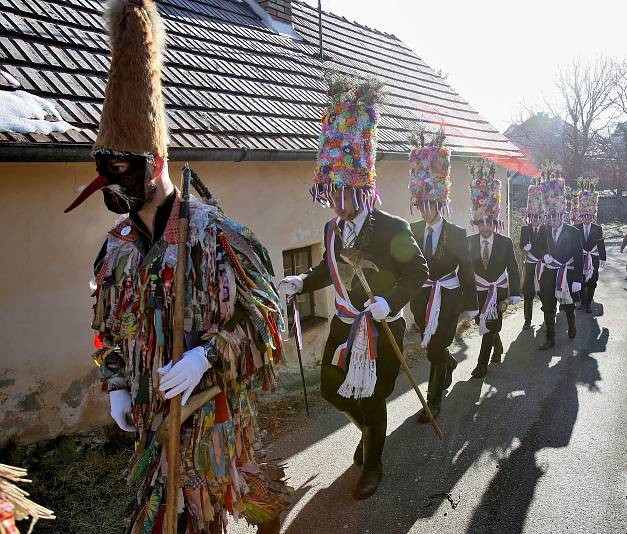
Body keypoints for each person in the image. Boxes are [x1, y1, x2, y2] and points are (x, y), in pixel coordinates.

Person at [64, 2, 290, 530]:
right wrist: (118, 382)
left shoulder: (217, 234)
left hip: (211, 425)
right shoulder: (116, 248)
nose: (115, 188)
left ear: (157, 163)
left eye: (123, 173)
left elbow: (266, 319)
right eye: (106, 175)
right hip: (152, 429)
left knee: (205, 513)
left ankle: (262, 500)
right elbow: (109, 330)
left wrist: (207, 357)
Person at [280, 74, 428, 500]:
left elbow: (417, 271)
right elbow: (329, 268)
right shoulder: (331, 228)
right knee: (332, 388)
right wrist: (302, 281)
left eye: (343, 191)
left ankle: (374, 463)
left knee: (374, 395)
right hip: (345, 327)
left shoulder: (392, 227)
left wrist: (391, 301)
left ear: (362, 185)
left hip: (382, 328)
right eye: (331, 191)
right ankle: (367, 429)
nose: (336, 201)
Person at [408, 129, 478, 422]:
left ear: (439, 201)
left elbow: (467, 269)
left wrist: (471, 305)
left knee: (437, 345)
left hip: (449, 299)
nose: (425, 210)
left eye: (430, 204)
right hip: (421, 300)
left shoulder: (456, 234)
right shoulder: (410, 231)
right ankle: (448, 363)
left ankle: (433, 401)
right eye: (420, 204)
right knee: (432, 349)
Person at [467, 161, 520, 378]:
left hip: (498, 293)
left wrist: (515, 293)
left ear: (494, 220)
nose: (484, 227)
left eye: (488, 222)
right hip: (478, 293)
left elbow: (514, 269)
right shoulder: (469, 242)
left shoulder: (505, 242)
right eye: (480, 222)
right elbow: (465, 272)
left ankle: (482, 364)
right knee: (487, 325)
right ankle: (497, 348)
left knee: (489, 327)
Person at [533, 173, 584, 350]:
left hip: (567, 273)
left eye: (556, 217)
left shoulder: (573, 232)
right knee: (548, 305)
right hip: (549, 272)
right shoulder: (544, 231)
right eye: (550, 217)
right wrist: (543, 255)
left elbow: (579, 256)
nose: (553, 221)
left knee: (568, 304)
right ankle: (550, 337)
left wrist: (578, 279)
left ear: (562, 215)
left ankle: (571, 324)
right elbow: (536, 247)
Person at [574, 179, 606, 313]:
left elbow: (601, 243)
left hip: (593, 258)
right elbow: (574, 245)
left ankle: (588, 304)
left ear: (592, 216)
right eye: (584, 216)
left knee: (592, 282)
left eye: (589, 216)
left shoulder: (597, 228)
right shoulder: (575, 228)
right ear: (581, 216)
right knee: (581, 281)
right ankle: (582, 302)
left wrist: (603, 258)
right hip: (580, 258)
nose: (586, 219)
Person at [519, 179, 545, 330]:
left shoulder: (545, 229)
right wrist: (524, 246)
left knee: (543, 292)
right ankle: (527, 320)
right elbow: (521, 244)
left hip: (542, 265)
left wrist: (546, 255)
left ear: (541, 216)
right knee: (528, 293)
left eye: (537, 217)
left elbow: (548, 246)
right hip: (529, 265)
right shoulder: (525, 229)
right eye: (533, 217)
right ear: (530, 215)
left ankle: (548, 313)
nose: (535, 220)